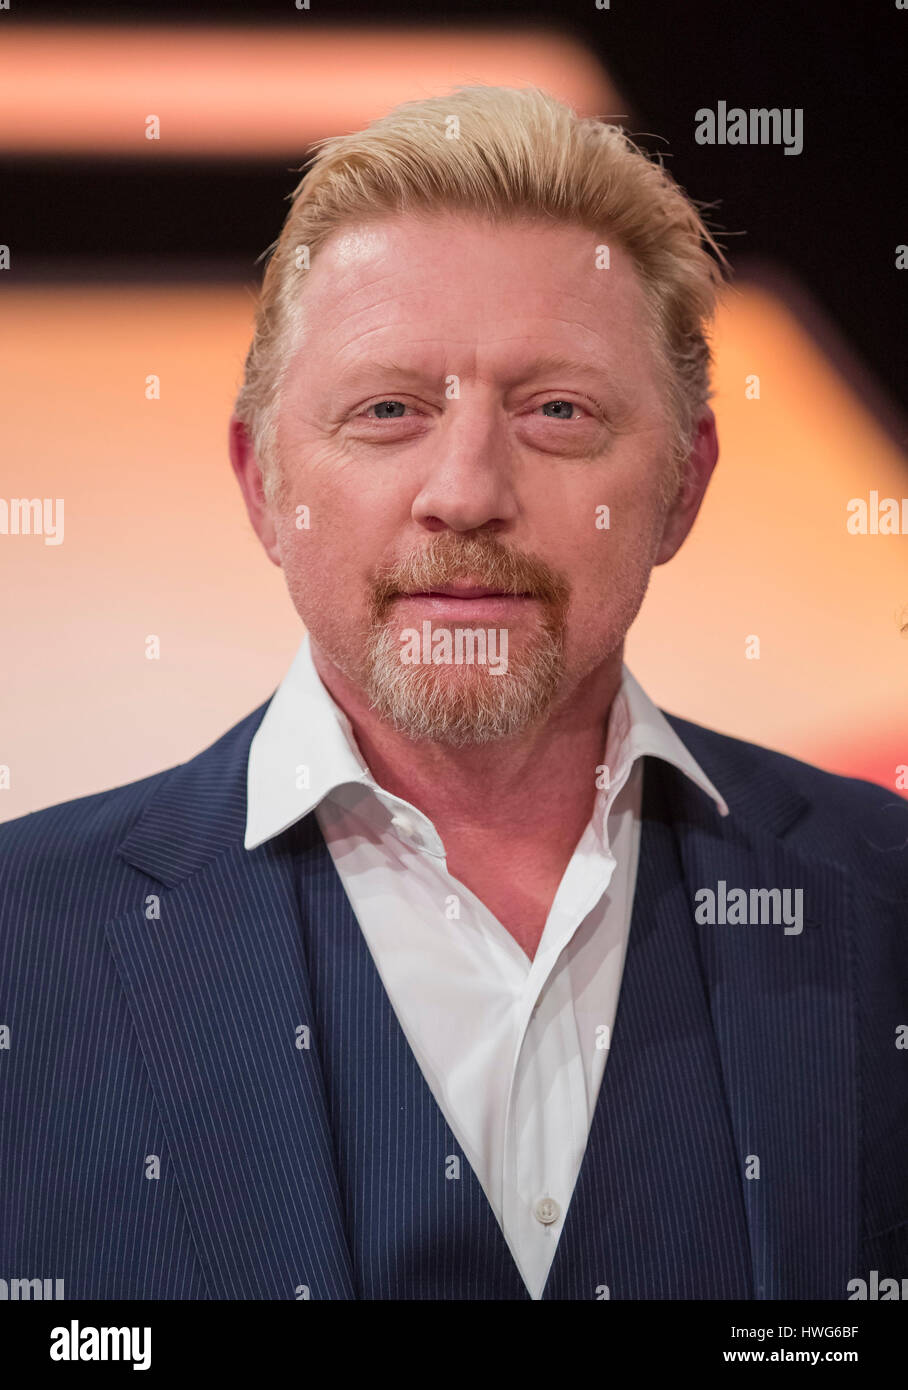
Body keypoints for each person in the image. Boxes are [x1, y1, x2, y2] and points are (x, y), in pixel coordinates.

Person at [1, 85, 906, 1301]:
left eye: (557, 412)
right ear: (264, 485)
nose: (467, 491)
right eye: (389, 411)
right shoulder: (21, 942)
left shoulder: (884, 899)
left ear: (681, 488)